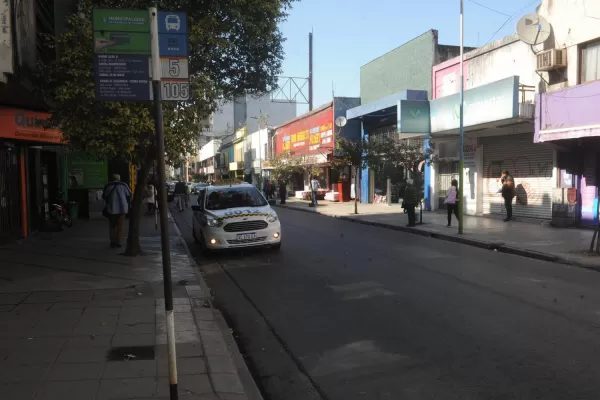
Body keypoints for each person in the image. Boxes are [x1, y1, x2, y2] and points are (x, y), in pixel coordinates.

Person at [102, 174, 131, 248]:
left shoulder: (108, 186)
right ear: (119, 178)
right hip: (122, 209)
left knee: (112, 226)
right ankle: (119, 242)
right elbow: (129, 194)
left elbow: (104, 196)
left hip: (111, 208)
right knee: (120, 226)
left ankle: (112, 241)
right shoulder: (124, 185)